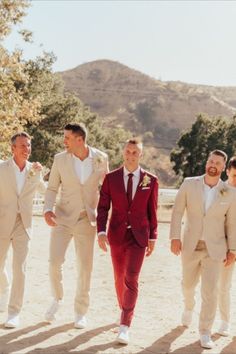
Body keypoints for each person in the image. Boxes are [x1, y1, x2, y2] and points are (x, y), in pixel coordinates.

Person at [44, 123, 108, 328]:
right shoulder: (59, 159)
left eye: (67, 138)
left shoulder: (101, 158)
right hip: (62, 218)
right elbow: (52, 187)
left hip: (86, 219)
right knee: (54, 262)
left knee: (85, 267)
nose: (64, 141)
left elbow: (106, 189)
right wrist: (47, 209)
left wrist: (104, 221)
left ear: (80, 140)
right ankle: (57, 298)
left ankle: (81, 311)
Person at [170, 149, 236, 349]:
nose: (213, 165)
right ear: (207, 162)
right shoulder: (190, 183)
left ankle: (205, 331)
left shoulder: (229, 192)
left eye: (218, 163)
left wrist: (232, 249)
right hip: (191, 244)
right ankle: (188, 306)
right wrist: (174, 237)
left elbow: (232, 223)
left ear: (223, 168)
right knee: (188, 285)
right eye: (211, 161)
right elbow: (177, 211)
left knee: (211, 291)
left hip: (215, 249)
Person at [97, 138, 158, 344]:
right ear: (123, 153)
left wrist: (153, 236)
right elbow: (103, 207)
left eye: (135, 152)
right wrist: (101, 232)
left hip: (139, 236)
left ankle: (125, 324)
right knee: (119, 277)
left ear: (140, 155)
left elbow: (152, 211)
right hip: (117, 235)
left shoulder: (151, 180)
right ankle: (124, 308)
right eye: (128, 151)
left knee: (131, 278)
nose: (131, 155)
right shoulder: (111, 178)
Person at [0, 132, 46, 328]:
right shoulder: (1, 168)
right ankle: (4, 286)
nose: (26, 149)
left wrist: (41, 174)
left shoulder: (34, 170)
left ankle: (13, 312)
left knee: (20, 269)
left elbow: (45, 191)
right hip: (2, 222)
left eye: (28, 146)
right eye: (22, 146)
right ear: (13, 148)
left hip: (23, 226)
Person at [218, 156, 236, 336]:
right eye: (235, 176)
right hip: (224, 245)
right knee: (223, 285)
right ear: (228, 171)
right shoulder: (219, 190)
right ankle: (225, 321)